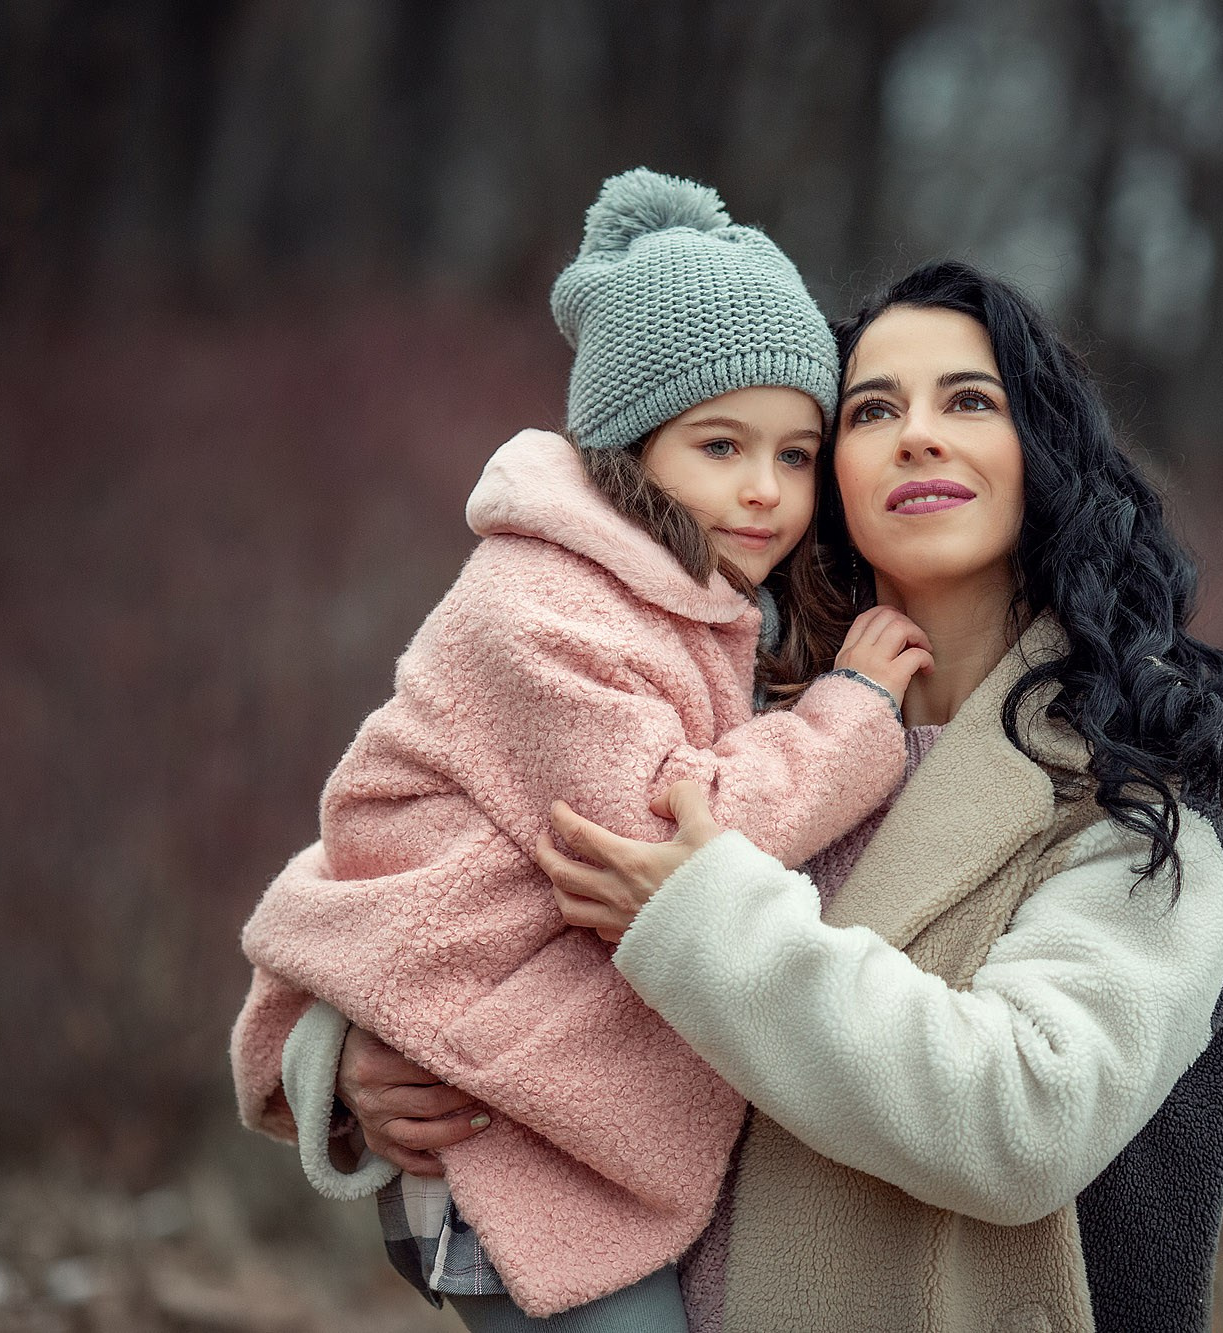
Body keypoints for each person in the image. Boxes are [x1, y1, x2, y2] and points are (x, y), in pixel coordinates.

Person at [338, 260, 1223, 1331]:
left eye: (968, 401)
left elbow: (1026, 1114)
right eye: (871, 409)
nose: (918, 434)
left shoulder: (1134, 773)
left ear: (1041, 451)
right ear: (826, 472)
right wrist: (353, 1058)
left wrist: (705, 924)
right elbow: (445, 854)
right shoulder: (749, 714)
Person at [227, 168, 933, 1331]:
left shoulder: (700, 596)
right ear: (627, 448)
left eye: (796, 454)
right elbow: (675, 846)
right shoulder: (541, 609)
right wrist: (853, 713)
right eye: (719, 445)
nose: (764, 491)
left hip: (566, 1135)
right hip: (498, 1154)